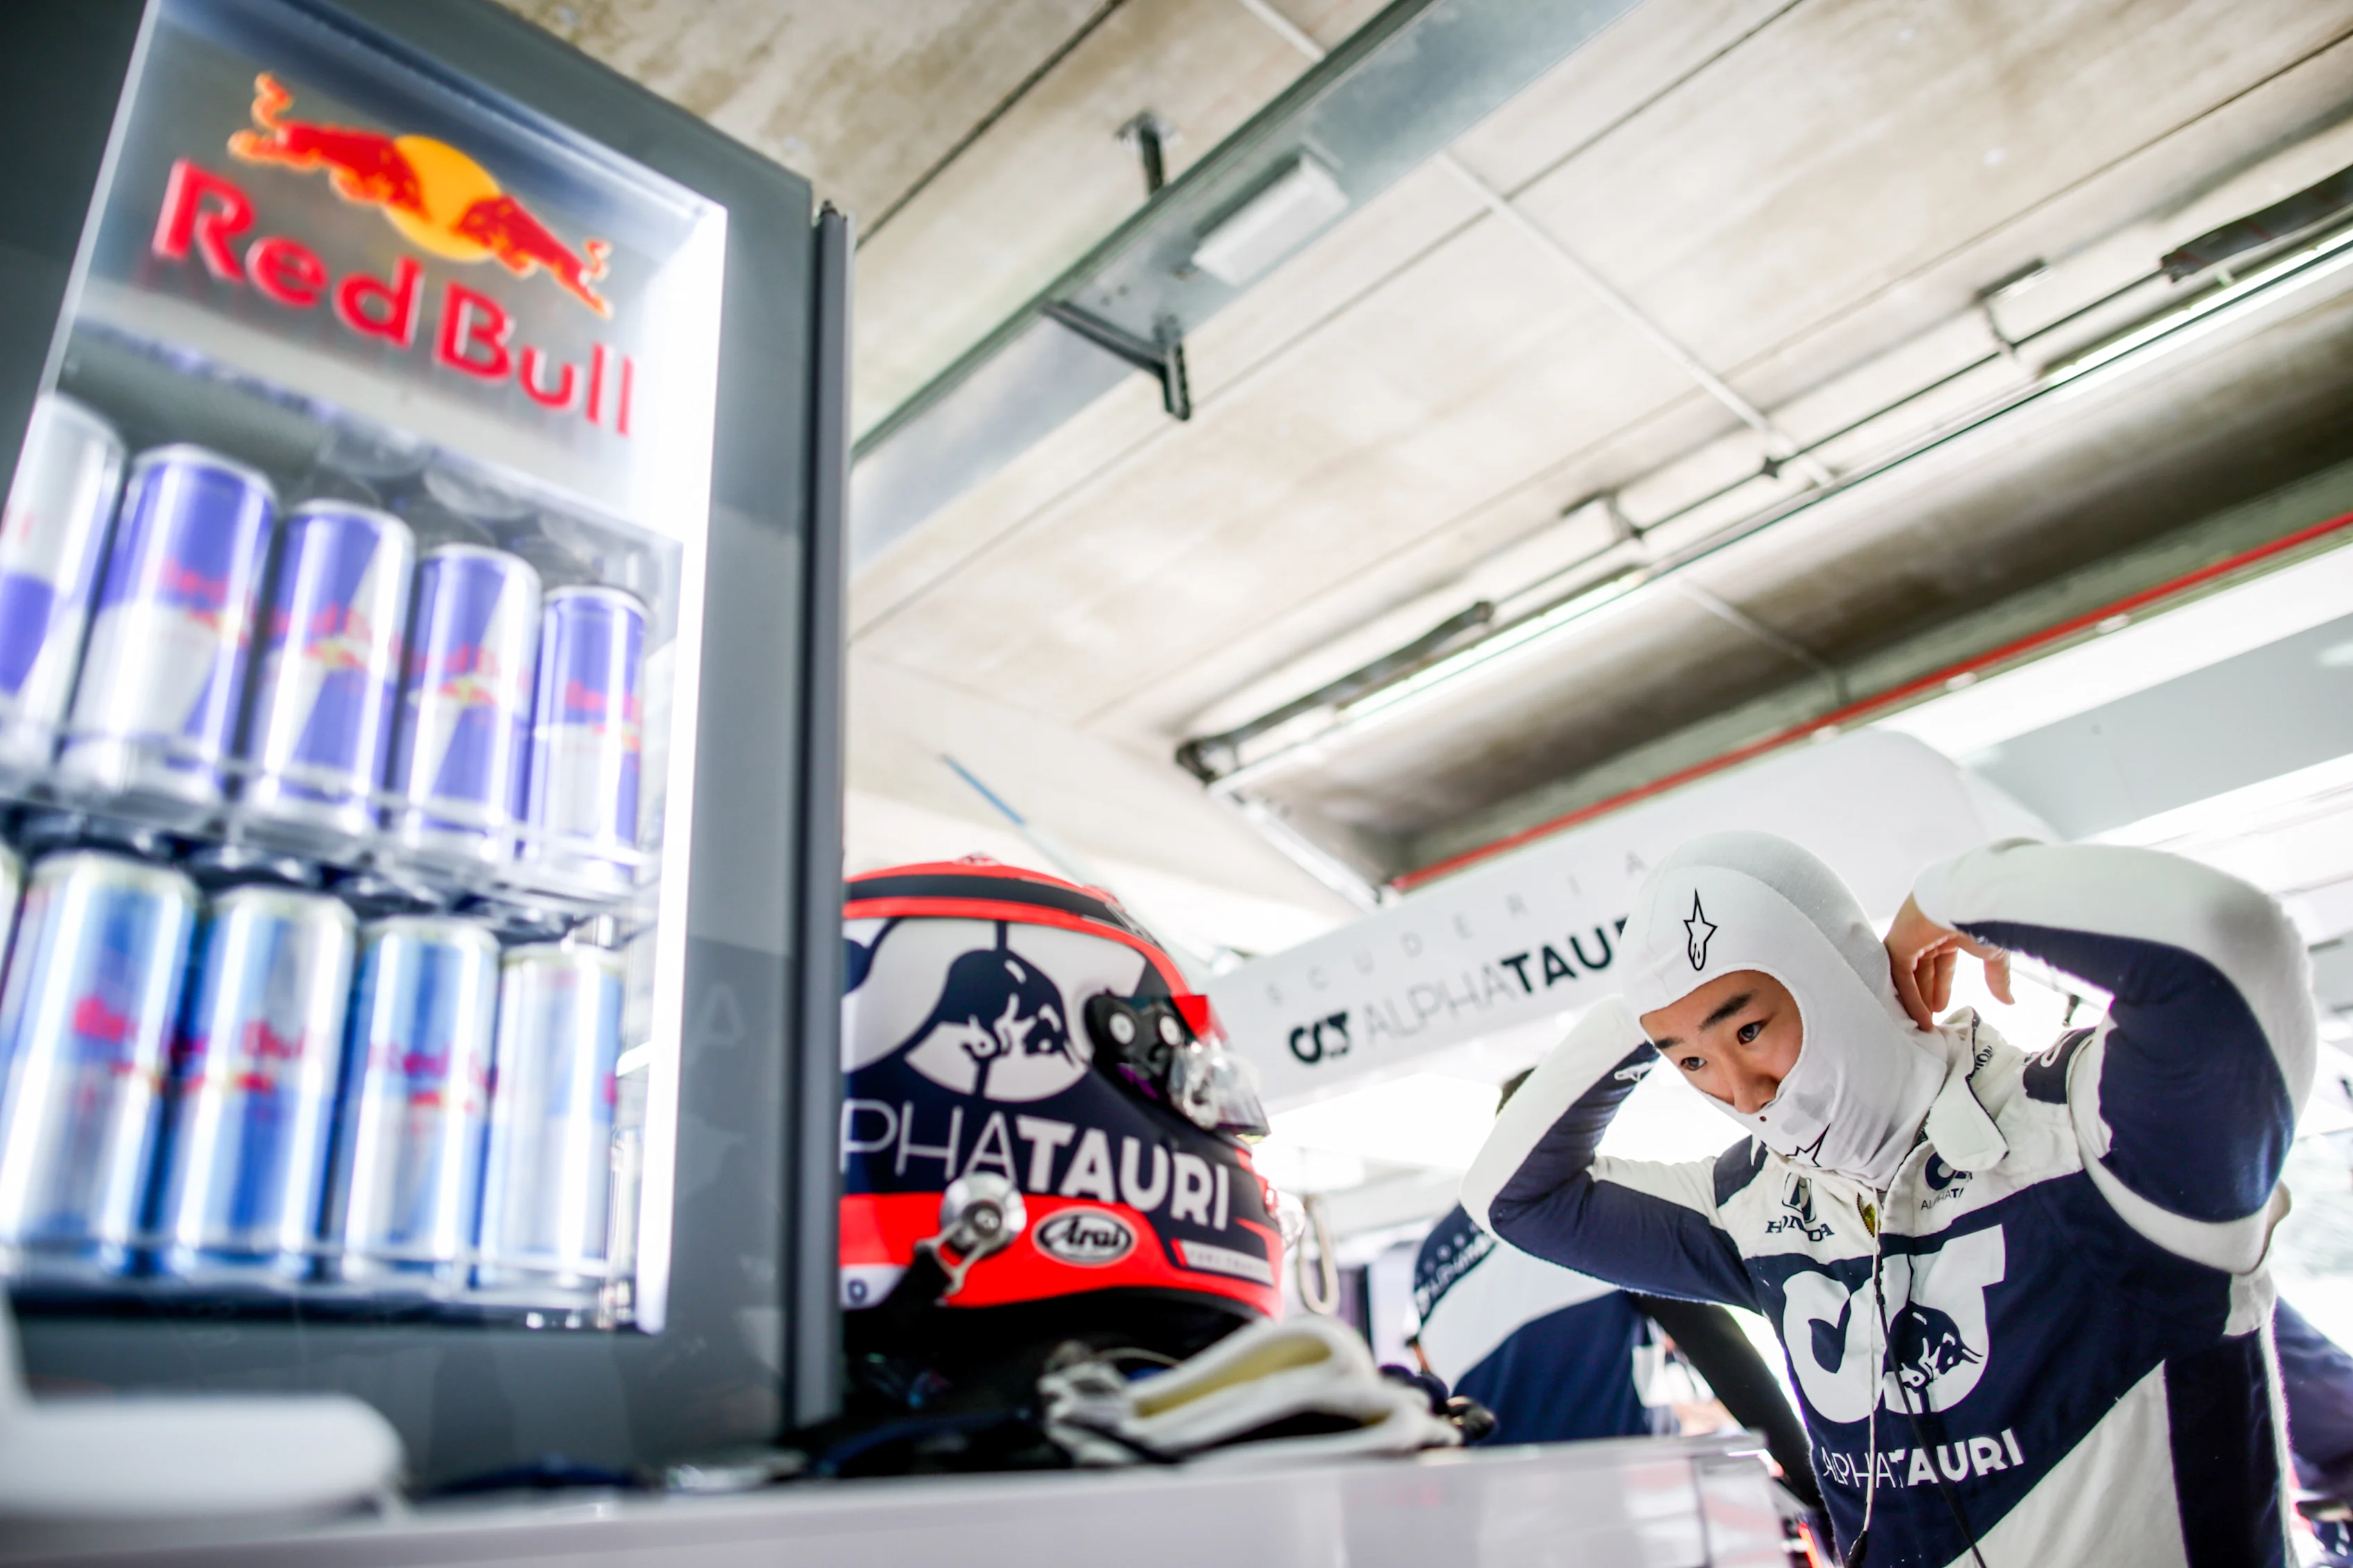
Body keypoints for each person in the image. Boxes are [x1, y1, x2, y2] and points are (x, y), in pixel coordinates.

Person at [1462, 832, 2313, 1566]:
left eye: (1748, 1028)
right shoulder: (1748, 1205)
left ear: (1837, 970)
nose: (1740, 1090)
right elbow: (1509, 1197)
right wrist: (1641, 1007)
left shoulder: (2092, 1130)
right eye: (1692, 1062)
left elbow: (2232, 946)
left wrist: (1956, 891)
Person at [1413, 1071, 1822, 1515]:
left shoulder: (1433, 1253)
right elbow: (1713, 1342)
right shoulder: (1576, 1203)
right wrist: (1812, 1480)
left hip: (1499, 1515)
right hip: (1616, 1508)